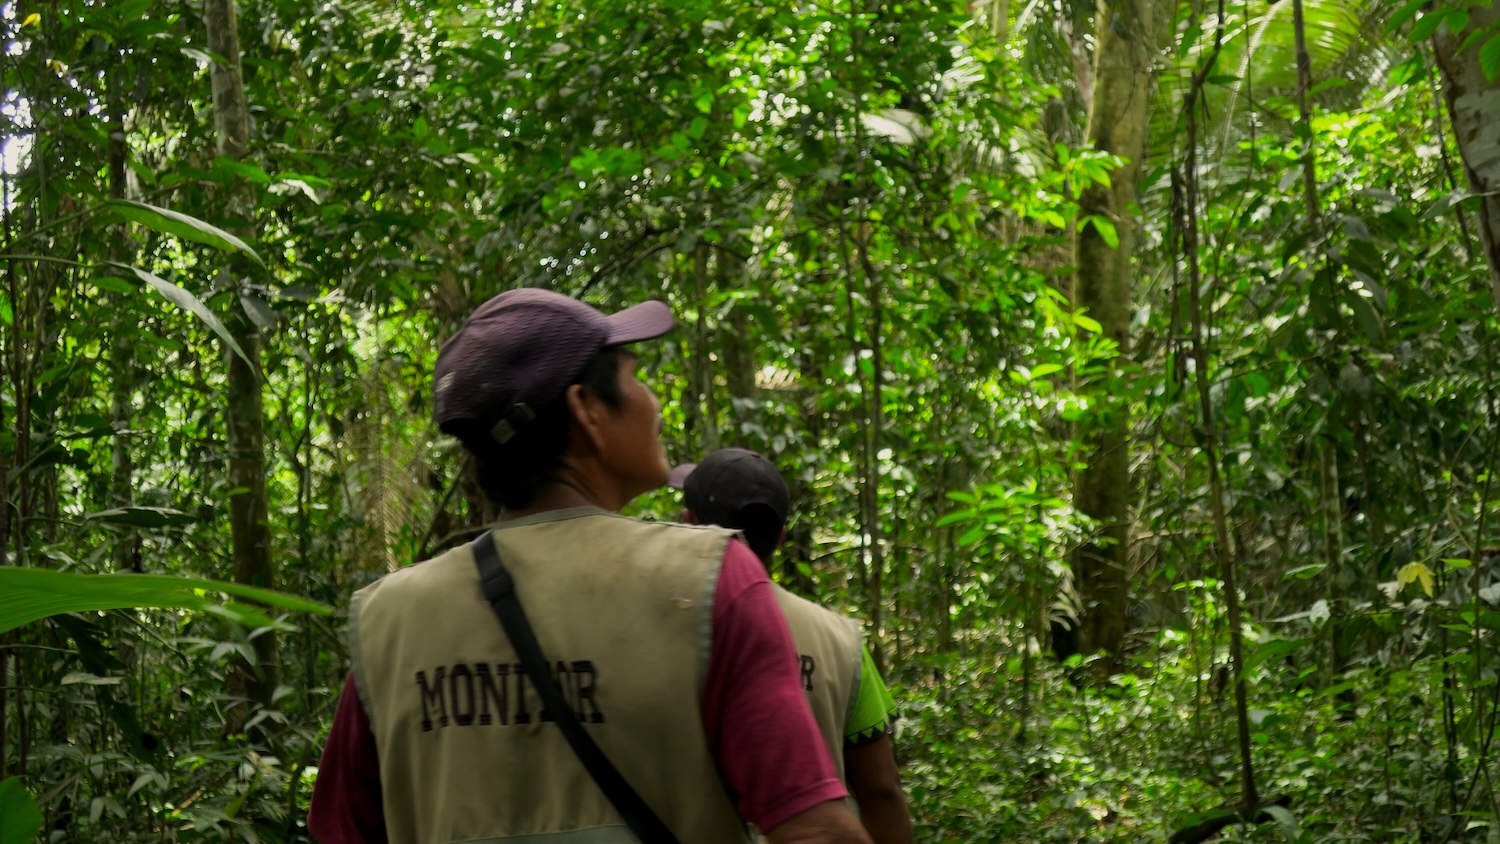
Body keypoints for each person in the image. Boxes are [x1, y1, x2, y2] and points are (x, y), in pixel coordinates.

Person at [307, 289, 872, 844]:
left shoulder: (389, 622)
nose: (652, 400)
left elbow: (339, 829)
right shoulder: (711, 581)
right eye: (634, 377)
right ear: (587, 411)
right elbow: (816, 830)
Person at [670, 449, 914, 844]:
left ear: (688, 523)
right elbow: (882, 789)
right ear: (781, 538)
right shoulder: (839, 640)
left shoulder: (660, 629)